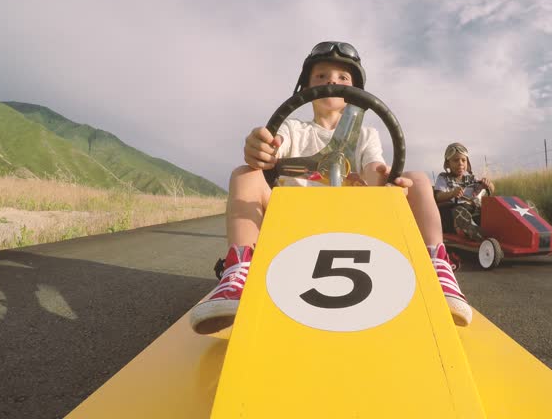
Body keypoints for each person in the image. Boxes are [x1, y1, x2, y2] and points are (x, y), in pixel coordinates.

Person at [190, 41, 472, 334]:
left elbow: (373, 168)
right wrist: (259, 148)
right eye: (321, 77)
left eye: (342, 79)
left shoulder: (365, 134)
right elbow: (272, 148)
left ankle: (436, 269)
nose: (331, 83)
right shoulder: (293, 129)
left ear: (354, 93)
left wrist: (388, 179)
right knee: (246, 174)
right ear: (307, 89)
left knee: (418, 179)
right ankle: (240, 272)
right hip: (293, 224)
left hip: (356, 222)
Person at [434, 143, 494, 240]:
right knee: (458, 211)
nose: (460, 163)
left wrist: (487, 184)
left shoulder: (471, 178)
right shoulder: (443, 177)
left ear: (467, 163)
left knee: (487, 210)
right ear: (448, 163)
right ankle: (472, 231)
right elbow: (438, 196)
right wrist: (452, 193)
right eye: (455, 160)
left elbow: (491, 189)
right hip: (450, 213)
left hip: (470, 210)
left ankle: (485, 229)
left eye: (463, 160)